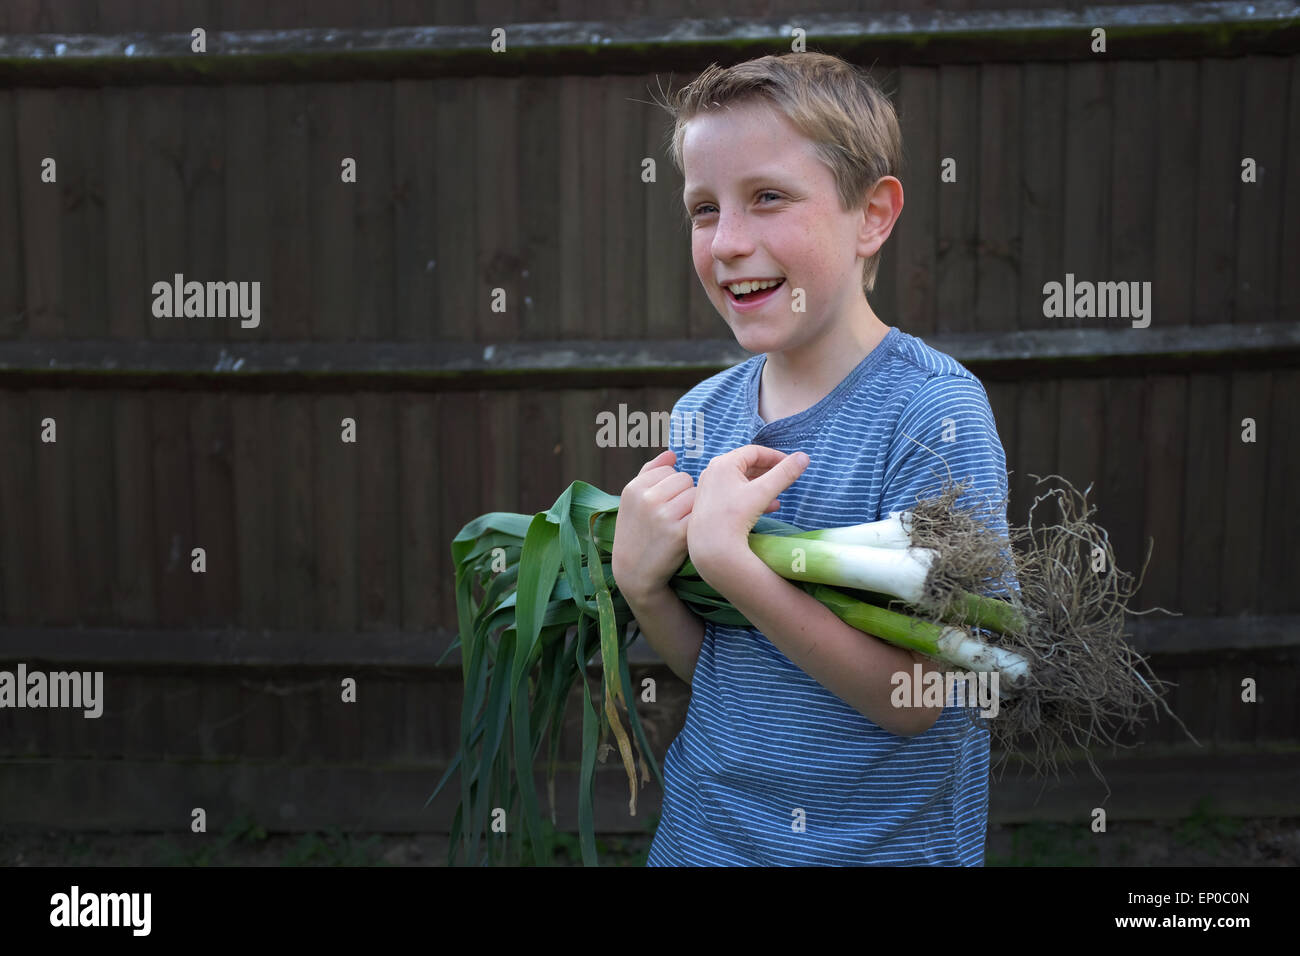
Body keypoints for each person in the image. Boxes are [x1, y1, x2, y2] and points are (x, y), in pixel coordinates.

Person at [611, 52, 1012, 865]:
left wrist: (733, 561)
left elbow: (921, 697)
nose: (726, 242)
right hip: (706, 840)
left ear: (872, 214)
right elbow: (731, 666)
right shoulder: (703, 417)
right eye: (701, 208)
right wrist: (642, 585)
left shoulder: (931, 414)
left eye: (766, 198)